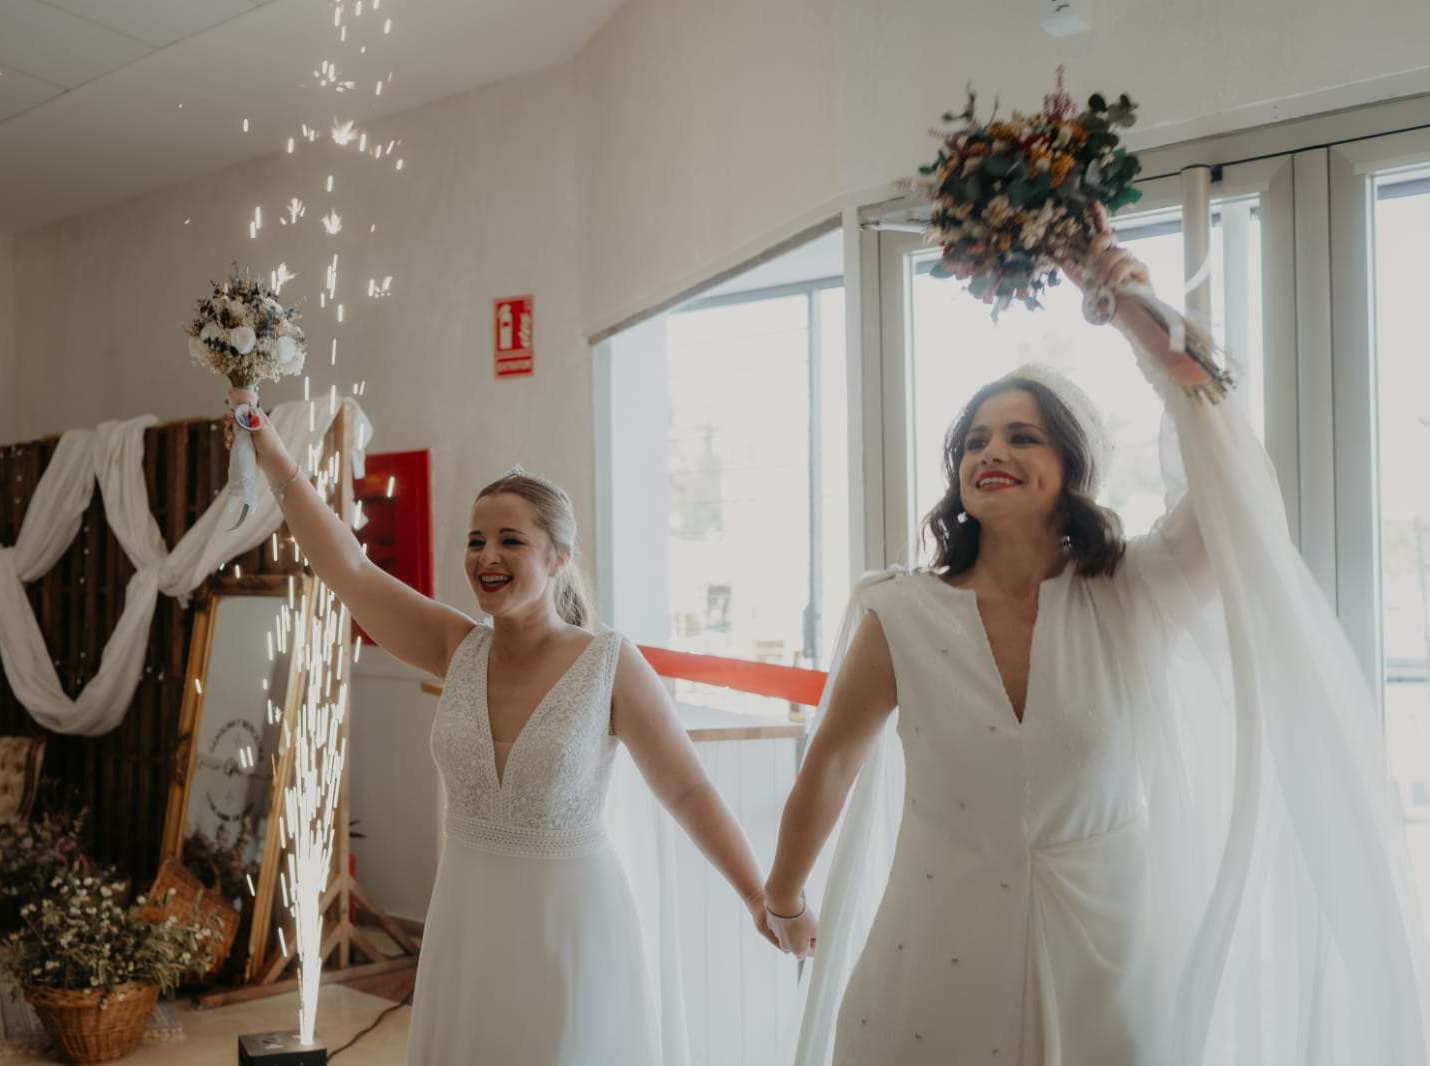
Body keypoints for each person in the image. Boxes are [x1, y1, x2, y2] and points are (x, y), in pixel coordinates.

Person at [762, 218, 1430, 1065]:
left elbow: (1243, 488)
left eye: (1019, 436)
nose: (989, 453)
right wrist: (783, 894)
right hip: (936, 940)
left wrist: (1134, 314)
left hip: (1106, 946)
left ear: (1072, 465)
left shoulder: (1137, 589)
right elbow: (830, 761)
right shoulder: (900, 611)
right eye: (972, 442)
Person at [224, 398, 778, 1065]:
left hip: (569, 927)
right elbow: (348, 568)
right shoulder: (455, 647)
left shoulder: (607, 662)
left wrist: (759, 895)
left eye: (509, 540)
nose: (487, 555)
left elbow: (687, 789)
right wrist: (266, 443)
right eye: (475, 540)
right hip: (468, 920)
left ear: (559, 557)